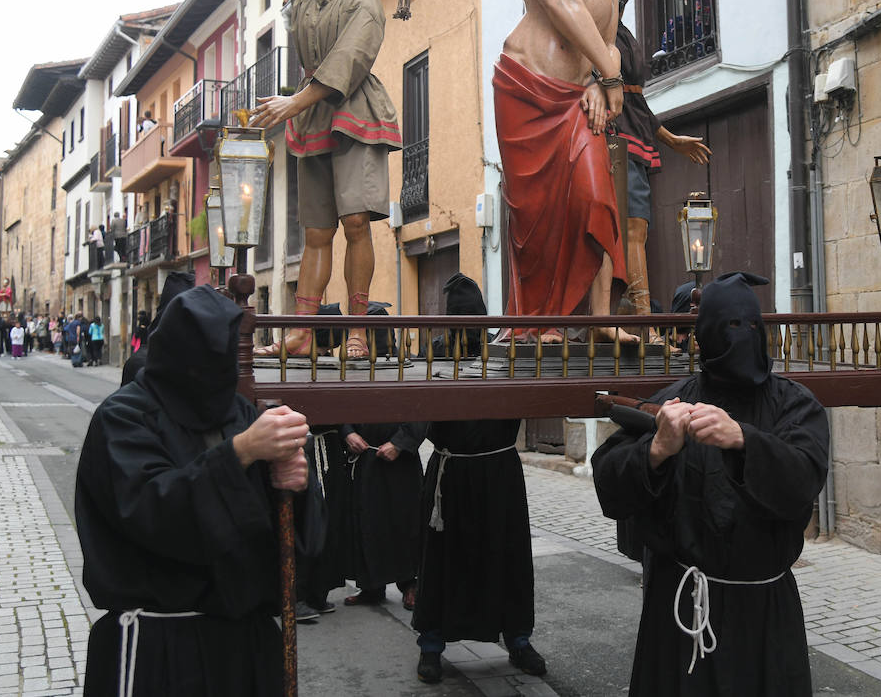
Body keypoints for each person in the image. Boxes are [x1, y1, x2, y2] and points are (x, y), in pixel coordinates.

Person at [592, 272, 830, 696]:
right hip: (681, 607)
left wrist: (744, 440)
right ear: (703, 337)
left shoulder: (795, 404)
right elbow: (609, 483)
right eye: (728, 327)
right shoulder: (674, 401)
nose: (741, 336)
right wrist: (658, 449)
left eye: (750, 325)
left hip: (763, 614)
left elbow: (803, 479)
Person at [76, 285, 320, 697]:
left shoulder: (240, 412)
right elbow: (154, 511)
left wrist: (293, 485)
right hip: (160, 649)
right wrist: (240, 453)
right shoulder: (123, 417)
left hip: (244, 645)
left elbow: (280, 531)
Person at [249, 0, 399, 360]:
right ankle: (301, 332)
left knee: (356, 221)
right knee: (316, 233)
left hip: (353, 111)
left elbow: (350, 61)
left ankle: (357, 329)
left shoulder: (365, 0)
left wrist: (293, 103)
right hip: (313, 119)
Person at [495, 0, 634, 342]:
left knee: (597, 197)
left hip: (579, 94)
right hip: (526, 86)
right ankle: (537, 323)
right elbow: (560, 2)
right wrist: (610, 75)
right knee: (534, 214)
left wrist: (600, 79)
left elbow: (610, 32)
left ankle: (600, 323)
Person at [411, 275, 546, 685]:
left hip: (498, 471)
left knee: (507, 554)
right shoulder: (432, 357)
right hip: (450, 474)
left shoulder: (503, 355)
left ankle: (518, 639)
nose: (467, 327)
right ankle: (431, 645)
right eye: (460, 319)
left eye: (473, 320)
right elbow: (421, 414)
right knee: (441, 559)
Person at [613, 0, 711, 331]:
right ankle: (644, 324)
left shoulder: (622, 34)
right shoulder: (599, 30)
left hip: (631, 135)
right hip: (611, 135)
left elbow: (635, 100)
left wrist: (670, 139)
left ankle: (641, 321)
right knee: (630, 231)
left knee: (636, 231)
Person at [339, 417, 427, 608]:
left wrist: (399, 443)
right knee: (367, 521)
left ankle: (410, 583)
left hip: (401, 461)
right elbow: (343, 402)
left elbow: (420, 411)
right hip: (365, 456)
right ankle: (371, 586)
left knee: (404, 521)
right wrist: (348, 432)